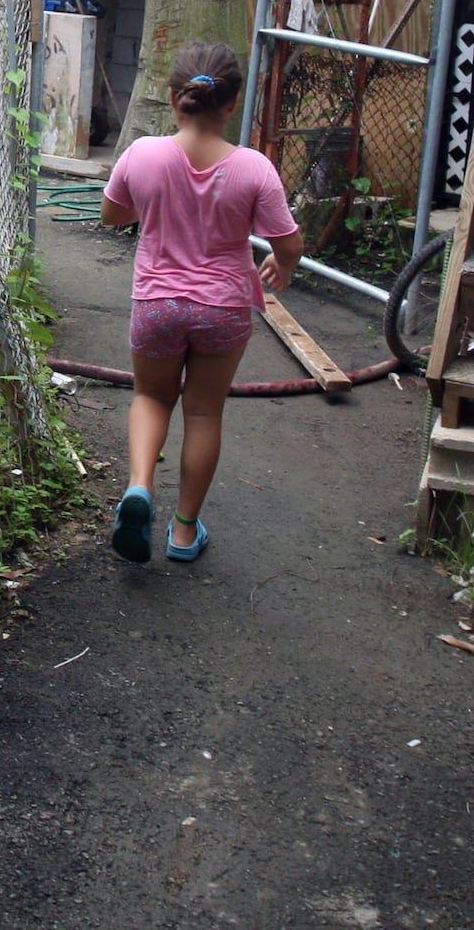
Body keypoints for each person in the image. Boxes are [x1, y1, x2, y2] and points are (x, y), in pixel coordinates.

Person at [97, 42, 304, 563]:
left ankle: (140, 487)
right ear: (233, 104)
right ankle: (184, 532)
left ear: (173, 97)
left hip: (158, 304)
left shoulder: (142, 154)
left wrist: (155, 209)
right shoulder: (255, 169)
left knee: (150, 397)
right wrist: (283, 265)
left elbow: (112, 215)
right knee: (205, 412)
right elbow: (289, 242)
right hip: (222, 309)